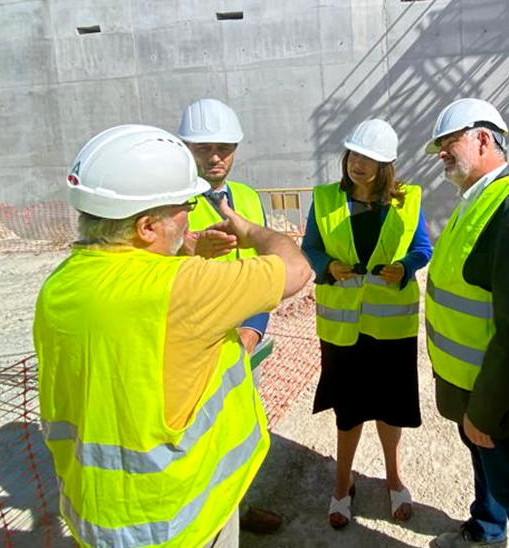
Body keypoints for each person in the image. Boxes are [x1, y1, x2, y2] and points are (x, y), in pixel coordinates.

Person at [34, 124, 310, 548]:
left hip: (99, 518)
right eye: (183, 204)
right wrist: (251, 231)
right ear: (146, 226)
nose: (189, 213)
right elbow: (297, 270)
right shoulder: (182, 288)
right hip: (181, 518)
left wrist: (181, 253)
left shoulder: (60, 285)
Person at [424, 98, 509, 548]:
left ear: (484, 139)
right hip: (474, 388)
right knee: (489, 471)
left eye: (449, 142)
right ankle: (485, 532)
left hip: (499, 396)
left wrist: (484, 410)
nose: (442, 153)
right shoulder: (476, 200)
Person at [301, 119, 432, 530]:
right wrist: (327, 266)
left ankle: (394, 477)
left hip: (390, 330)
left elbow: (422, 247)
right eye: (354, 155)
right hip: (342, 331)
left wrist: (406, 267)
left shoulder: (407, 201)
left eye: (369, 159)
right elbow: (311, 247)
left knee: (390, 408)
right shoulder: (324, 199)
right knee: (349, 409)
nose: (358, 164)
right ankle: (343, 484)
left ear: (386, 165)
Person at [178, 99, 283, 535]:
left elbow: (262, 276)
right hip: (194, 353)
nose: (215, 157)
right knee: (195, 444)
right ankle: (203, 524)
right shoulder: (170, 206)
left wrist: (254, 330)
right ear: (186, 149)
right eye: (204, 149)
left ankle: (240, 506)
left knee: (239, 433)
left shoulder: (249, 199)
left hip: (243, 345)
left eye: (224, 147)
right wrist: (183, 251)